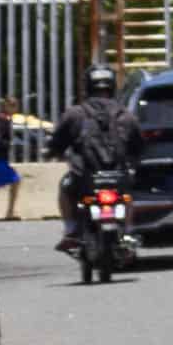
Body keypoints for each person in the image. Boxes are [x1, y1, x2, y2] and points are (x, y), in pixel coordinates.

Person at [49, 67, 141, 249]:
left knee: (65, 188)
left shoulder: (74, 114)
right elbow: (138, 145)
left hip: (85, 177)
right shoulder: (126, 115)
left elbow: (57, 142)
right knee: (129, 195)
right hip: (118, 177)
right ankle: (128, 230)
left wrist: (53, 152)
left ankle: (71, 229)